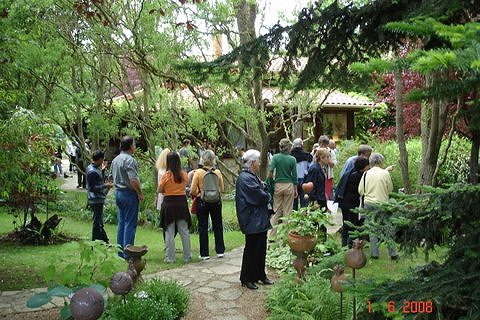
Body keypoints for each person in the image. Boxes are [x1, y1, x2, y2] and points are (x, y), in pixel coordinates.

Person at [236, 149, 273, 290]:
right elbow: (261, 196)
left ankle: (260, 275)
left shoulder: (251, 176)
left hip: (258, 219)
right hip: (252, 219)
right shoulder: (245, 178)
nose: (260, 163)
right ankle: (246, 278)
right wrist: (266, 192)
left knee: (261, 248)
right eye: (258, 161)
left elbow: (263, 191)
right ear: (252, 163)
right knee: (252, 249)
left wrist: (265, 190)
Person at [358, 152, 398, 260]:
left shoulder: (366, 174)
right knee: (388, 228)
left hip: (369, 203)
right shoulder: (385, 174)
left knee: (372, 229)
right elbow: (390, 189)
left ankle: (374, 253)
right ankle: (393, 253)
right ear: (380, 162)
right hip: (382, 203)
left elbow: (360, 190)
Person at [110, 136, 144, 259]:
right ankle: (128, 253)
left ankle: (120, 252)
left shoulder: (115, 160)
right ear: (130, 146)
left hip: (118, 192)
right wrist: (139, 193)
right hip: (129, 193)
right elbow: (133, 180)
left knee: (122, 222)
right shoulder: (129, 160)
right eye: (134, 144)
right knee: (130, 223)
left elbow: (111, 177)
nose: (135, 146)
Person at [190, 150, 225, 260]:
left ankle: (204, 254)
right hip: (216, 201)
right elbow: (222, 189)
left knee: (203, 227)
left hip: (203, 201)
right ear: (213, 159)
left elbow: (192, 190)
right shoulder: (218, 172)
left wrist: (199, 193)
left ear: (202, 159)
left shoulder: (198, 173)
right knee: (218, 226)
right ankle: (220, 251)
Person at [158, 151, 192, 263]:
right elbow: (186, 185)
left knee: (169, 231)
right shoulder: (183, 174)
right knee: (184, 231)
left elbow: (160, 190)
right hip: (181, 204)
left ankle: (170, 258)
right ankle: (187, 256)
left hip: (169, 204)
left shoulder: (166, 176)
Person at [267, 138, 297, 240]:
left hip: (278, 185)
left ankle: (272, 236)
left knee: (276, 211)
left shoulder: (275, 157)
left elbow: (270, 172)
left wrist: (272, 181)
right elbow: (295, 177)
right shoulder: (292, 159)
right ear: (289, 148)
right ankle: (286, 236)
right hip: (289, 185)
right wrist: (296, 189)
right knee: (287, 212)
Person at [340, 157, 369, 247]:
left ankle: (345, 243)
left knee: (346, 223)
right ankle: (350, 243)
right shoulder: (360, 176)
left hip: (345, 201)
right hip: (352, 203)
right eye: (368, 166)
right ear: (363, 167)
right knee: (352, 224)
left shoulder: (350, 173)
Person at [86, 150, 113, 242]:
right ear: (100, 159)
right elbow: (92, 187)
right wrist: (105, 186)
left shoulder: (93, 168)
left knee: (99, 222)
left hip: (98, 198)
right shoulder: (92, 171)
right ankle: (96, 242)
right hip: (95, 199)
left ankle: (105, 241)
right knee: (97, 222)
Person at [290, 138, 312, 210]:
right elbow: (310, 168)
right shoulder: (307, 155)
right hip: (304, 180)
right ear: (301, 145)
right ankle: (303, 219)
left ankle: (293, 219)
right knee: (304, 203)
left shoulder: (290, 156)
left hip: (292, 180)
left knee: (293, 203)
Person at [318, 135, 337, 200]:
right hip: (317, 176)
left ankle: (327, 208)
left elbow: (333, 165)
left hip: (328, 177)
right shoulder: (315, 151)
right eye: (322, 145)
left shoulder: (331, 152)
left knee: (327, 194)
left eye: (325, 145)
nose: (323, 147)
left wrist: (328, 159)